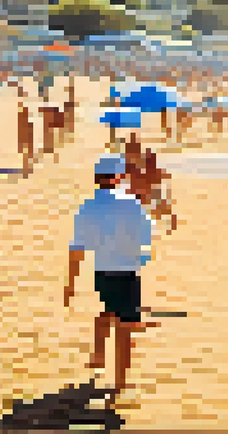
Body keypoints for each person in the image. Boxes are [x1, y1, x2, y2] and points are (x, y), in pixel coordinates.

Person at [65, 155, 155, 394]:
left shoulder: (87, 207)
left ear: (96, 179)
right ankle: (120, 384)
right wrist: (141, 258)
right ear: (120, 177)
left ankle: (98, 355)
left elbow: (77, 249)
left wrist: (70, 283)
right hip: (126, 272)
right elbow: (146, 237)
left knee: (110, 310)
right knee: (125, 329)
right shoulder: (132, 203)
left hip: (101, 272)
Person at [18, 103, 35, 176]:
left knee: (27, 153)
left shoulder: (25, 120)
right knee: (27, 153)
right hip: (26, 134)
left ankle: (27, 168)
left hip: (26, 134)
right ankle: (27, 168)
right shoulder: (24, 120)